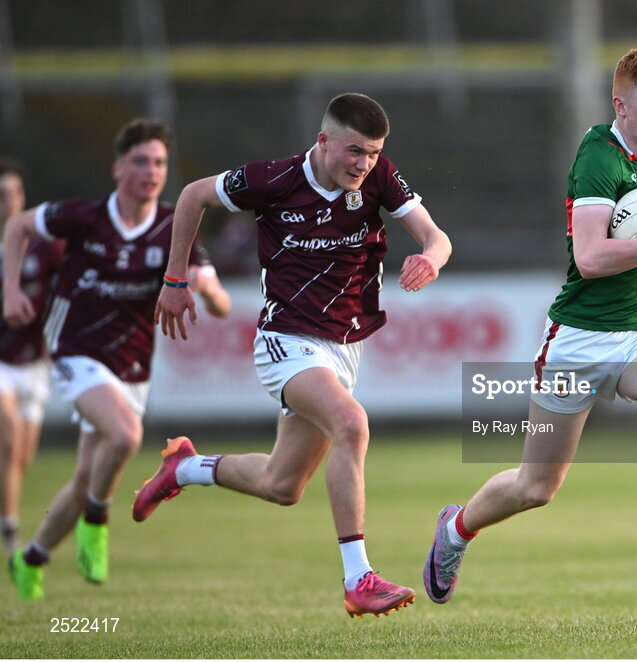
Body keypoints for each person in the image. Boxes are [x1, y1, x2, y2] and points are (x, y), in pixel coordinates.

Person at [423, 48, 637, 607]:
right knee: (536, 487)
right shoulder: (598, 157)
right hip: (580, 339)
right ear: (620, 105)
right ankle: (456, 529)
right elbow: (593, 258)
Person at [131, 93, 451, 618]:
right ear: (322, 141)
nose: (363, 164)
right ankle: (358, 578)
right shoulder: (272, 180)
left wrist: (431, 259)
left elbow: (436, 236)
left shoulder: (378, 177)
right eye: (354, 151)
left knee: (283, 485)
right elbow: (191, 196)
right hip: (286, 339)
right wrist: (174, 278)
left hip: (346, 346)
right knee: (352, 424)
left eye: (372, 153)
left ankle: (185, 469)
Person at [3, 119, 231, 602]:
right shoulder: (85, 216)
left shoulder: (175, 225)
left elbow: (220, 300)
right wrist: (8, 291)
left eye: (160, 163)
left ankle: (31, 559)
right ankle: (97, 520)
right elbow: (19, 225)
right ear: (118, 167)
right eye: (141, 161)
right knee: (126, 435)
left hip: (132, 367)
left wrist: (207, 290)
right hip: (74, 349)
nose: (151, 171)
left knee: (87, 475)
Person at [0, 158, 63, 553]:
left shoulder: (43, 246)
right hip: (1, 362)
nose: (10, 202)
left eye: (15, 193)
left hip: (36, 363)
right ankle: (9, 532)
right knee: (8, 441)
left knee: (21, 457)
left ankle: (7, 510)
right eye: (2, 195)